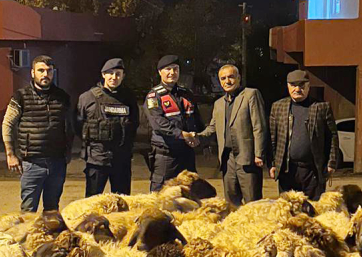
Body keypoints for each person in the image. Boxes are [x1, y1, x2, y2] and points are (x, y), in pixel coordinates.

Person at [2, 55, 72, 213]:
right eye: (41, 70)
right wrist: (10, 154)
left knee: (52, 210)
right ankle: (26, 238)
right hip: (32, 163)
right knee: (28, 210)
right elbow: (7, 124)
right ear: (33, 73)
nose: (45, 74)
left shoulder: (62, 97)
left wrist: (68, 151)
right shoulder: (21, 96)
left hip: (57, 163)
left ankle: (49, 238)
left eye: (49, 71)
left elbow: (69, 127)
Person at [195, 63, 269, 205]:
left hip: (247, 158)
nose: (227, 81)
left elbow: (259, 126)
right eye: (223, 78)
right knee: (231, 202)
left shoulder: (250, 95)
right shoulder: (218, 104)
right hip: (227, 160)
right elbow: (212, 129)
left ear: (239, 78)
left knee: (252, 204)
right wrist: (196, 137)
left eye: (231, 77)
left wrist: (259, 153)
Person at [268, 69, 339, 201]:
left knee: (314, 210)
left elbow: (332, 137)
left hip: (313, 171)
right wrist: (272, 164)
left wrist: (331, 163)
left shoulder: (322, 107)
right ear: (288, 86)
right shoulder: (278, 107)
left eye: (301, 85)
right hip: (287, 170)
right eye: (293, 85)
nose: (297, 89)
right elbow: (272, 138)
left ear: (308, 86)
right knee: (288, 210)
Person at [74, 57, 139, 196]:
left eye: (118, 74)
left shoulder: (129, 98)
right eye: (110, 73)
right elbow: (78, 124)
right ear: (103, 74)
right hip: (97, 159)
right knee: (92, 204)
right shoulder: (87, 98)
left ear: (123, 76)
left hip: (121, 160)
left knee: (122, 204)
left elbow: (134, 125)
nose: (114, 77)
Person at [144, 55, 204, 191]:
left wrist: (200, 137)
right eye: (168, 69)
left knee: (190, 192)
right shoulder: (154, 96)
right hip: (166, 154)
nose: (172, 73)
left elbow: (196, 120)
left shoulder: (186, 94)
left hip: (187, 153)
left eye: (175, 69)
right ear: (160, 72)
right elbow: (158, 124)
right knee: (161, 194)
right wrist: (183, 134)